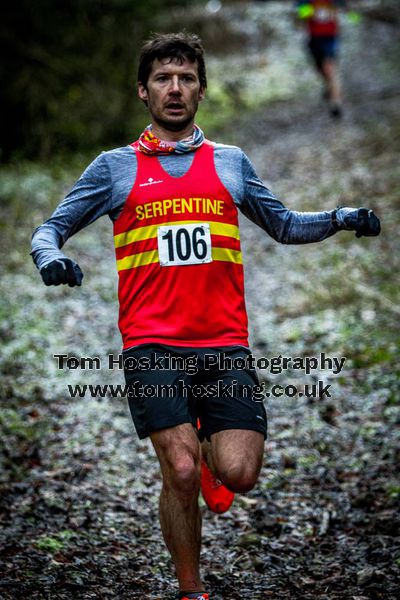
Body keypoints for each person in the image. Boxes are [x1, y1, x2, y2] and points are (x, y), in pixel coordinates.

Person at [31, 32, 380, 599]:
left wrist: (341, 217)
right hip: (152, 345)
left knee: (240, 473)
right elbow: (50, 228)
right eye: (164, 78)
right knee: (182, 471)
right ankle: (193, 590)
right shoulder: (114, 169)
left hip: (223, 344)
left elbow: (285, 225)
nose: (176, 88)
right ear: (143, 91)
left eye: (187, 78)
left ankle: (206, 443)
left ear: (201, 90)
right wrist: (50, 257)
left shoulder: (229, 163)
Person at [296, 0, 346, 117]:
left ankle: (336, 103)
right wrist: (310, 11)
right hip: (314, 38)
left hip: (331, 37)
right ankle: (328, 86)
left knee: (330, 67)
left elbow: (344, 9)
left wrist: (335, 11)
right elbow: (301, 13)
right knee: (320, 69)